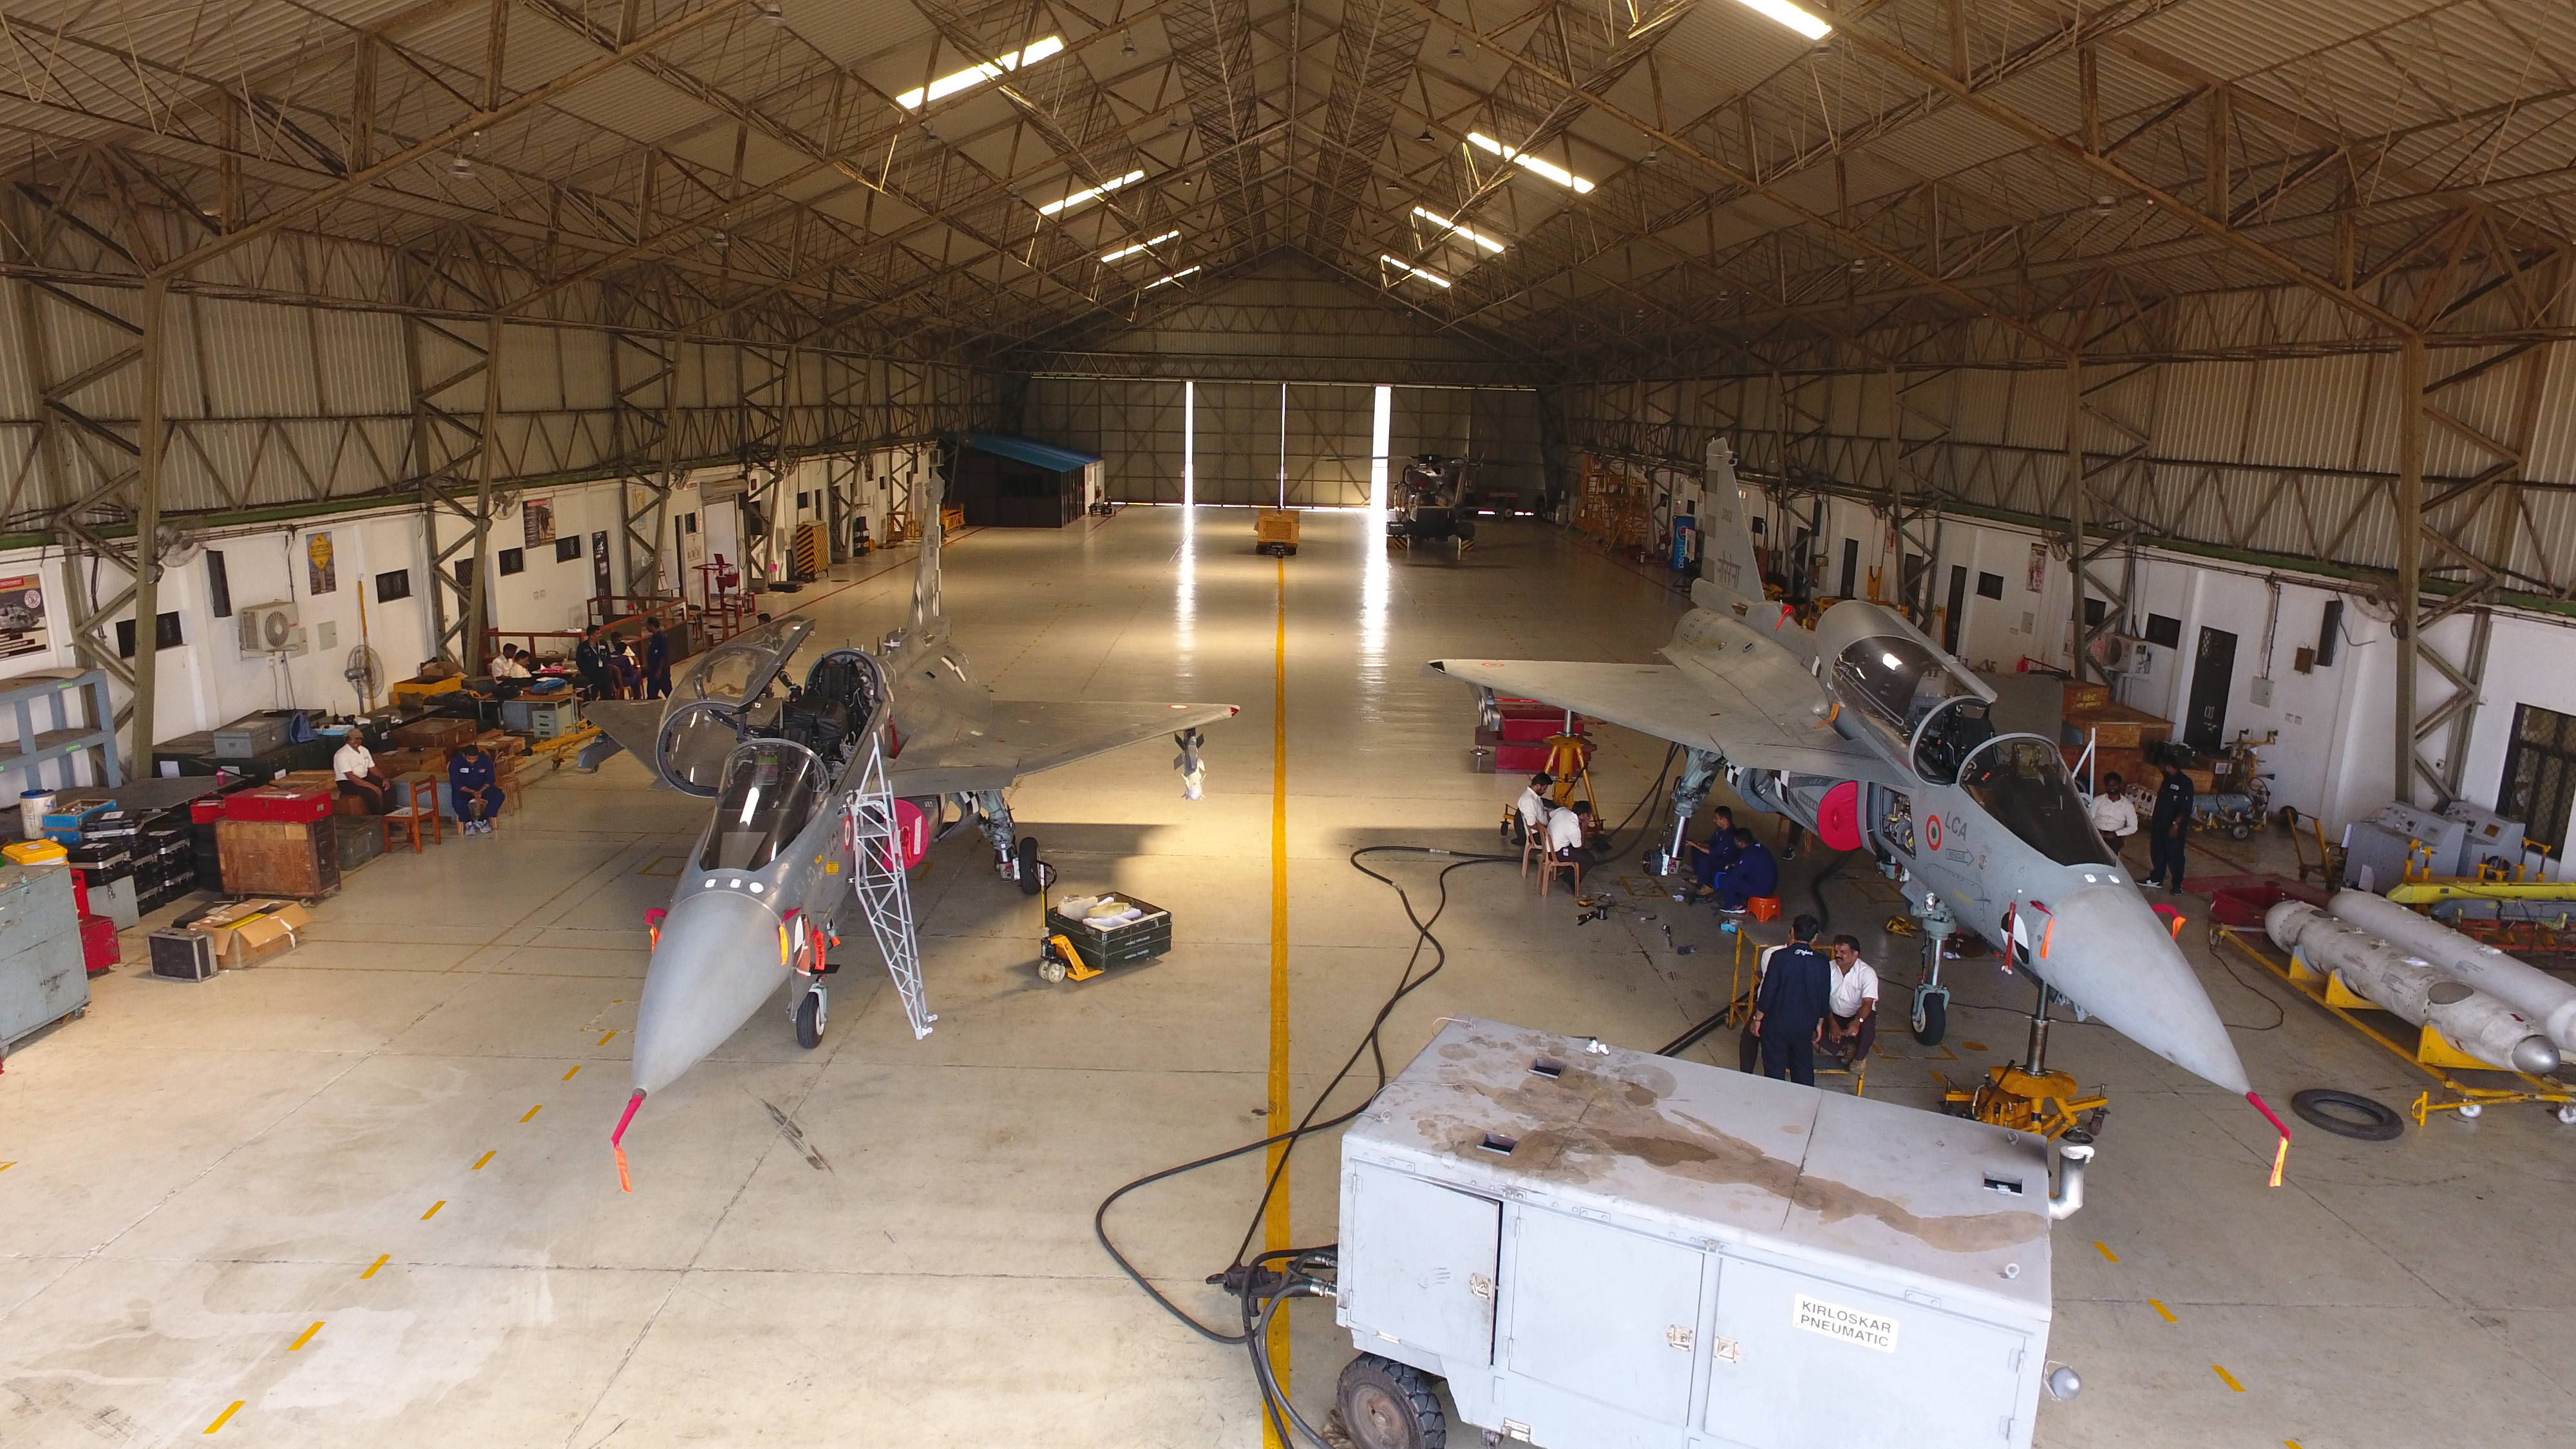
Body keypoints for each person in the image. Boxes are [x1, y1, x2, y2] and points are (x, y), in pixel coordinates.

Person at [1749, 914, 1834, 1086]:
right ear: (1815, 938)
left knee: (1774, 1070)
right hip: (1805, 1026)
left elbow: (1768, 991)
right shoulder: (1822, 963)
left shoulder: (1779, 957)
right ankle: (1805, 1101)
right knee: (1803, 1068)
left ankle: (1776, 1099)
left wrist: (1757, 1019)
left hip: (1777, 1024)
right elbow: (1824, 996)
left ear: (1793, 932)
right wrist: (1819, 1023)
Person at [1822, 935, 1880, 1070]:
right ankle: (1847, 1047)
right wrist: (1832, 1023)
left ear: (1855, 955)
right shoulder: (1828, 969)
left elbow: (1867, 1003)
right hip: (1833, 1013)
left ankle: (1859, 1059)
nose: (1837, 955)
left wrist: (1857, 1022)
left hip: (1857, 1014)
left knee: (1867, 1026)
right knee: (1811, 1025)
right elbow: (1821, 998)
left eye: (1842, 952)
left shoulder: (1867, 973)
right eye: (1836, 951)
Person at [2149, 759, 2195, 892]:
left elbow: (2185, 808)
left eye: (2161, 767)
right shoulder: (2168, 780)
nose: (2160, 770)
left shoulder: (2185, 782)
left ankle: (2177, 884)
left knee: (2175, 854)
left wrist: (2176, 824)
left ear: (2169, 767)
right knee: (2158, 851)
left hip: (2173, 826)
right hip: (2160, 824)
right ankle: (2157, 879)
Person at [1712, 827, 1778, 914]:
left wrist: (1728, 868)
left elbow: (1735, 875)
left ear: (1742, 843)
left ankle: (1735, 906)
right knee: (1741, 877)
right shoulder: (1758, 847)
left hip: (1762, 890)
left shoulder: (1749, 855)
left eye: (1735, 840)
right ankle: (1742, 899)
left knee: (1724, 879)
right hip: (1769, 885)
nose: (1734, 841)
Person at [449, 739, 504, 835]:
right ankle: (469, 822)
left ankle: (483, 820)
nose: (473, 761)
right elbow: (456, 783)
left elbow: (491, 779)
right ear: (464, 756)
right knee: (458, 803)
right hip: (464, 790)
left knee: (499, 796)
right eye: (469, 759)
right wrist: (473, 792)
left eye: (475, 758)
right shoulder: (456, 762)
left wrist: (481, 790)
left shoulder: (485, 760)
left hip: (483, 788)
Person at [1686, 807, 1739, 900]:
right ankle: (1699, 876)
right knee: (1696, 850)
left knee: (1705, 860)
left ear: (1724, 820)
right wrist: (1696, 844)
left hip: (1726, 862)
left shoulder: (1730, 835)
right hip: (1718, 855)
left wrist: (1696, 845)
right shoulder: (1721, 830)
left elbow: (1713, 852)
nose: (1714, 820)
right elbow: (1710, 844)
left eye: (1716, 818)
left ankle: (1708, 886)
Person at [333, 732, 392, 815]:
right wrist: (372, 787)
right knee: (371, 793)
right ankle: (378, 817)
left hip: (363, 777)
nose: (356, 741)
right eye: (353, 739)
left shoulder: (364, 750)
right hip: (347, 782)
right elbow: (350, 776)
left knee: (388, 786)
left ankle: (389, 815)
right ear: (348, 740)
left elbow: (372, 768)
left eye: (359, 739)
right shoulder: (342, 754)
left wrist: (384, 778)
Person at [2090, 771, 2138, 865]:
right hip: (2096, 832)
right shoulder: (2098, 801)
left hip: (2114, 836)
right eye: (2109, 785)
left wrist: (2116, 834)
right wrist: (2095, 831)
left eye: (2115, 785)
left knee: (2110, 858)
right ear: (2105, 786)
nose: (2112, 787)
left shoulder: (2127, 806)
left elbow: (2133, 827)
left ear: (2120, 785)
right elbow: (2089, 819)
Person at [1546, 799, 1593, 867]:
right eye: (1589, 816)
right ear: (1584, 815)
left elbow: (1549, 814)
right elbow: (1579, 847)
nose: (1589, 818)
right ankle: (1569, 875)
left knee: (1584, 853)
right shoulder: (1573, 827)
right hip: (1555, 853)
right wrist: (1584, 828)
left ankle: (1572, 872)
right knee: (1589, 860)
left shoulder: (1563, 811)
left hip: (1547, 845)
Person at [1513, 772, 1553, 846]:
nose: (1545, 791)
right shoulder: (1529, 800)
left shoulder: (1534, 797)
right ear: (1538, 786)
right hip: (1537, 835)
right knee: (1563, 836)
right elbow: (1531, 825)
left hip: (1541, 830)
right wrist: (1547, 830)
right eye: (1544, 788)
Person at [574, 627, 609, 700]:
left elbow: (608, 656)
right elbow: (579, 661)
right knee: (591, 695)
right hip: (591, 676)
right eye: (598, 633)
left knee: (607, 695)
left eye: (600, 633)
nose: (601, 635)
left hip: (605, 674)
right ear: (591, 636)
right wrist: (584, 673)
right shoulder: (583, 647)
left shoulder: (603, 644)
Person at [644, 620, 673, 699]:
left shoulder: (662, 638)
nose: (646, 627)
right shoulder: (654, 637)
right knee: (651, 694)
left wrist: (659, 670)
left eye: (648, 625)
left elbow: (663, 655)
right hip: (652, 669)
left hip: (661, 671)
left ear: (652, 626)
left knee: (667, 691)